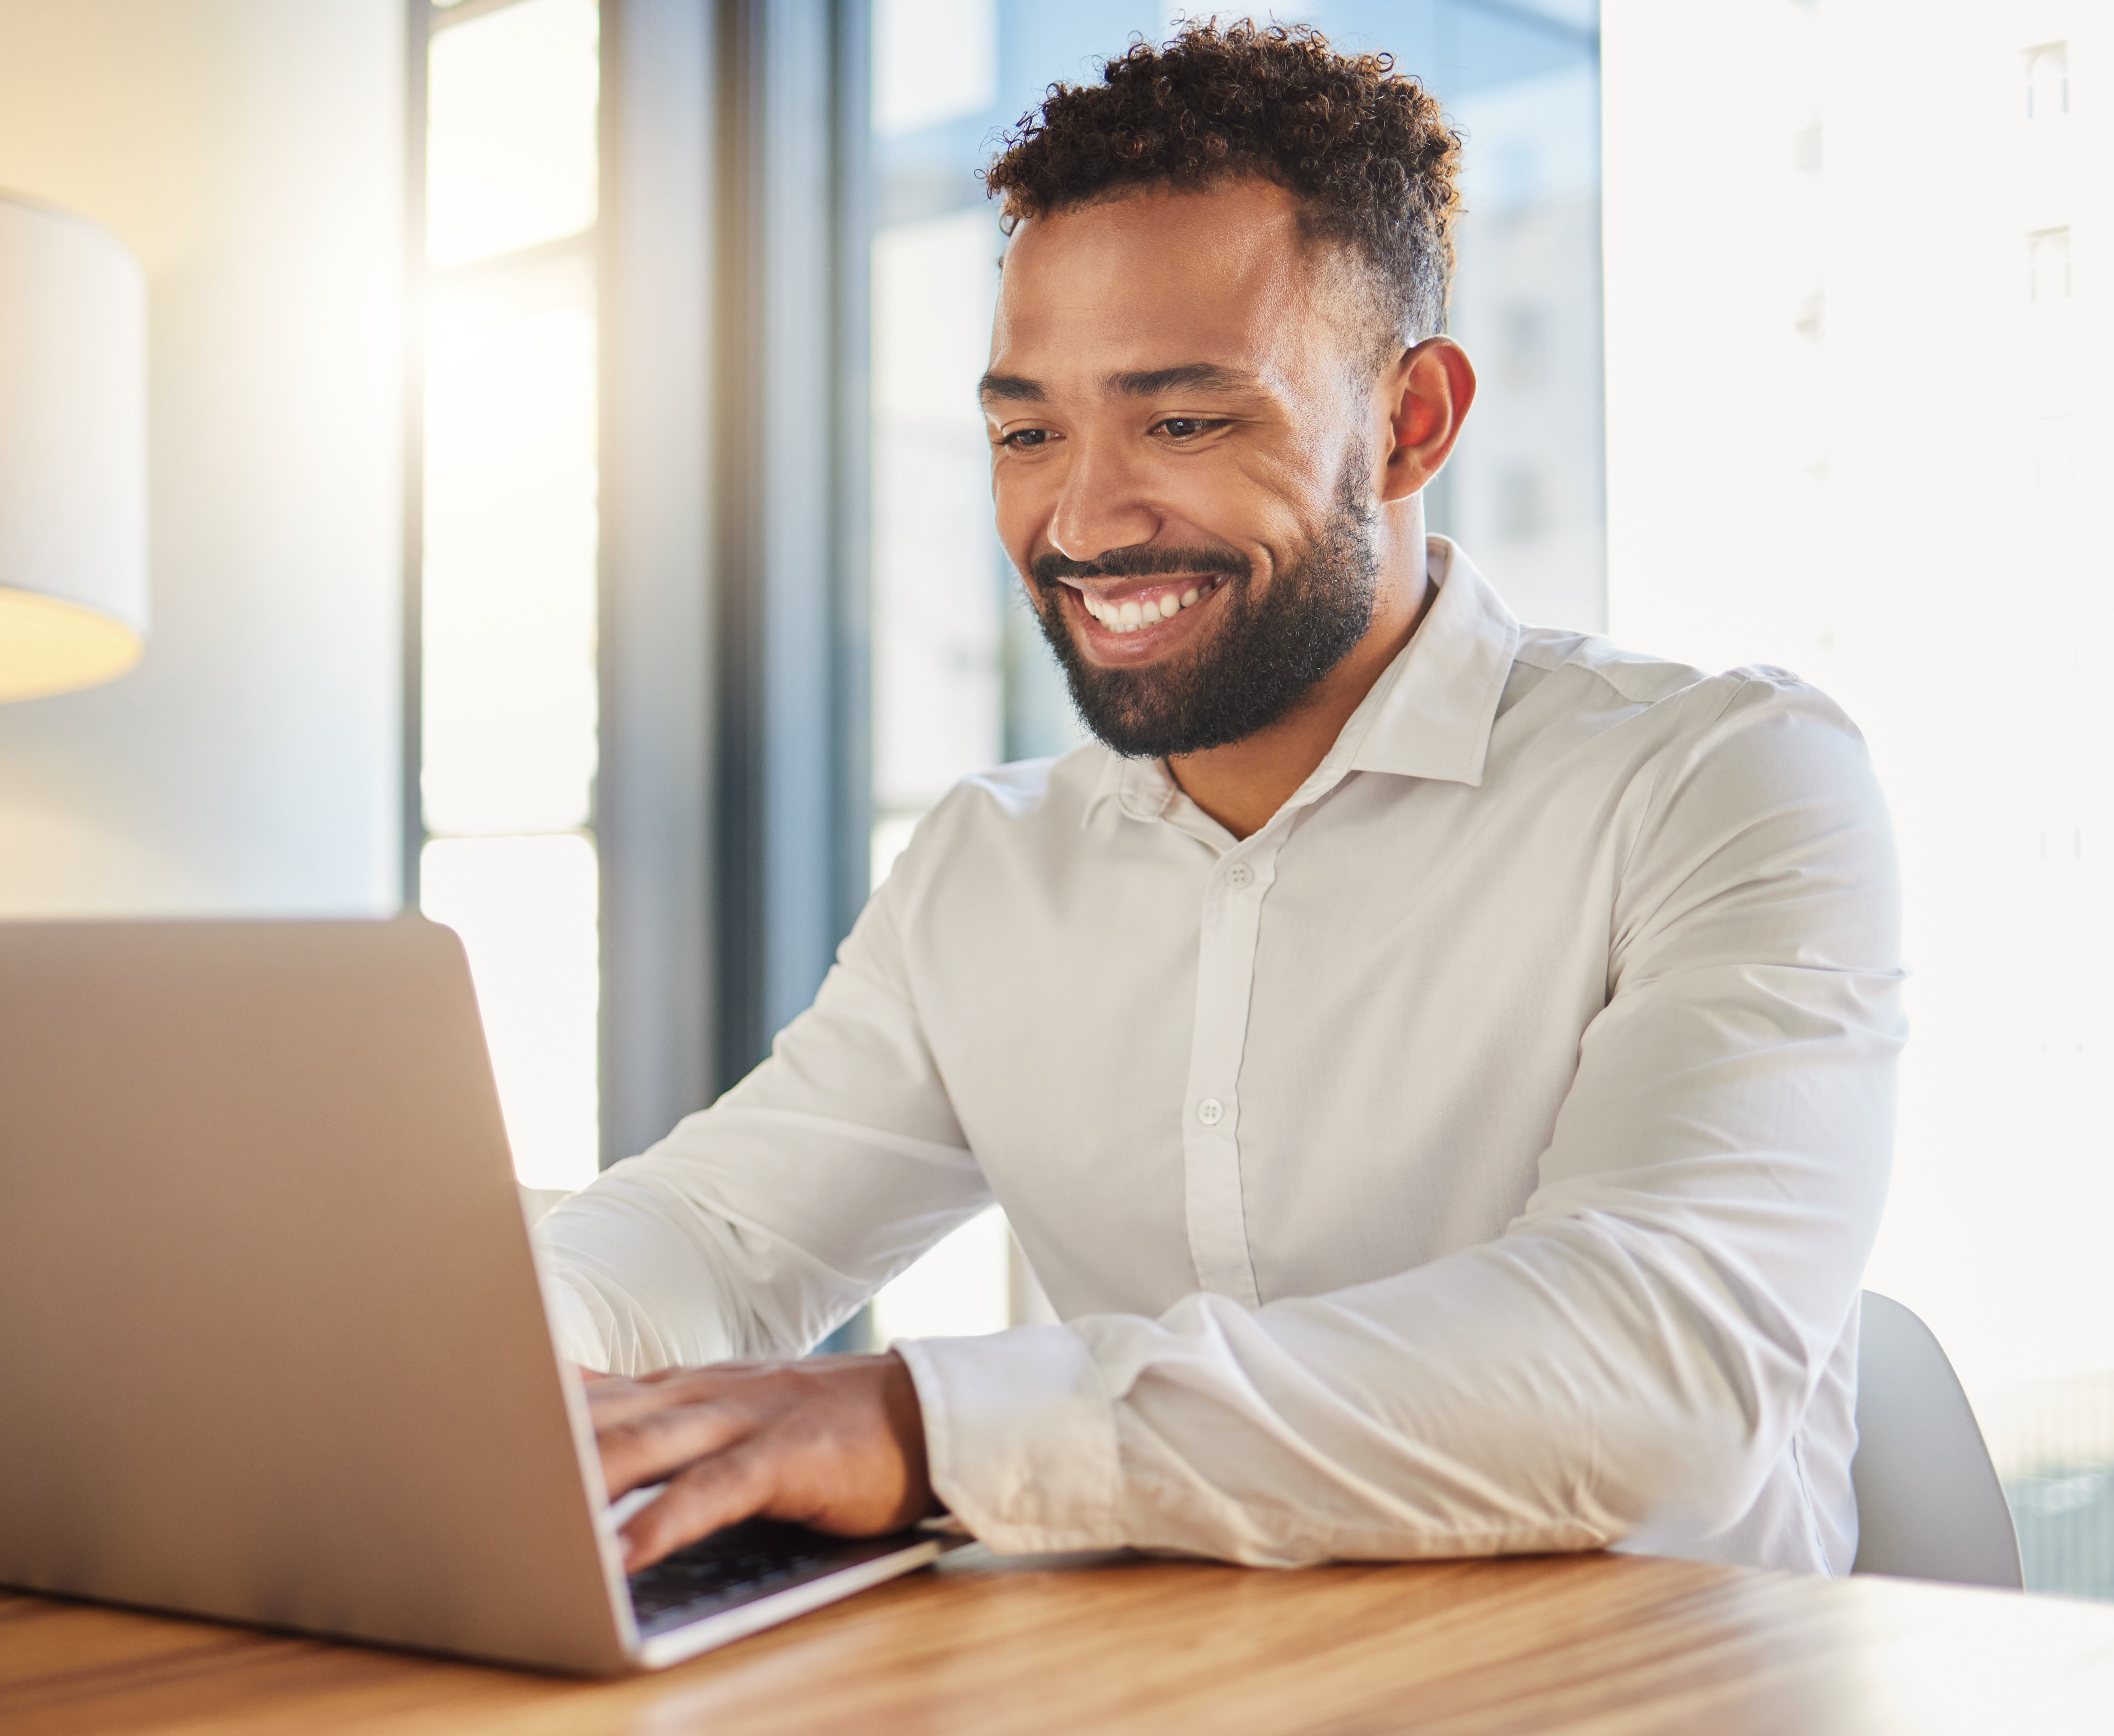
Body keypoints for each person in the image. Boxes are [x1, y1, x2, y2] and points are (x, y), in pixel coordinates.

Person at [535, 21, 1903, 1578]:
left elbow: (1659, 1370)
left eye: (1183, 421)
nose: (1082, 517)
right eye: (1026, 432)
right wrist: (505, 1355)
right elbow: (716, 1236)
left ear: (1411, 422)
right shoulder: (992, 866)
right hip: (1175, 1676)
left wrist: (928, 1427)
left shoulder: (1720, 781)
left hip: (1638, 1678)